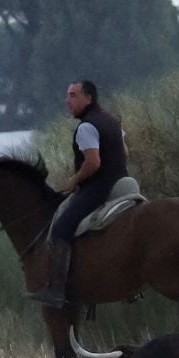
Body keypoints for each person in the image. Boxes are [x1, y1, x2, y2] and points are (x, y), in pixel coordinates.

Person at [29, 78, 128, 309]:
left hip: (99, 188)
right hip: (122, 183)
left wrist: (74, 180)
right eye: (67, 95)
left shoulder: (86, 127)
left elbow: (93, 162)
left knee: (61, 228)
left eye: (73, 95)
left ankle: (56, 289)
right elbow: (125, 152)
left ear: (88, 98)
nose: (67, 101)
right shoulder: (112, 120)